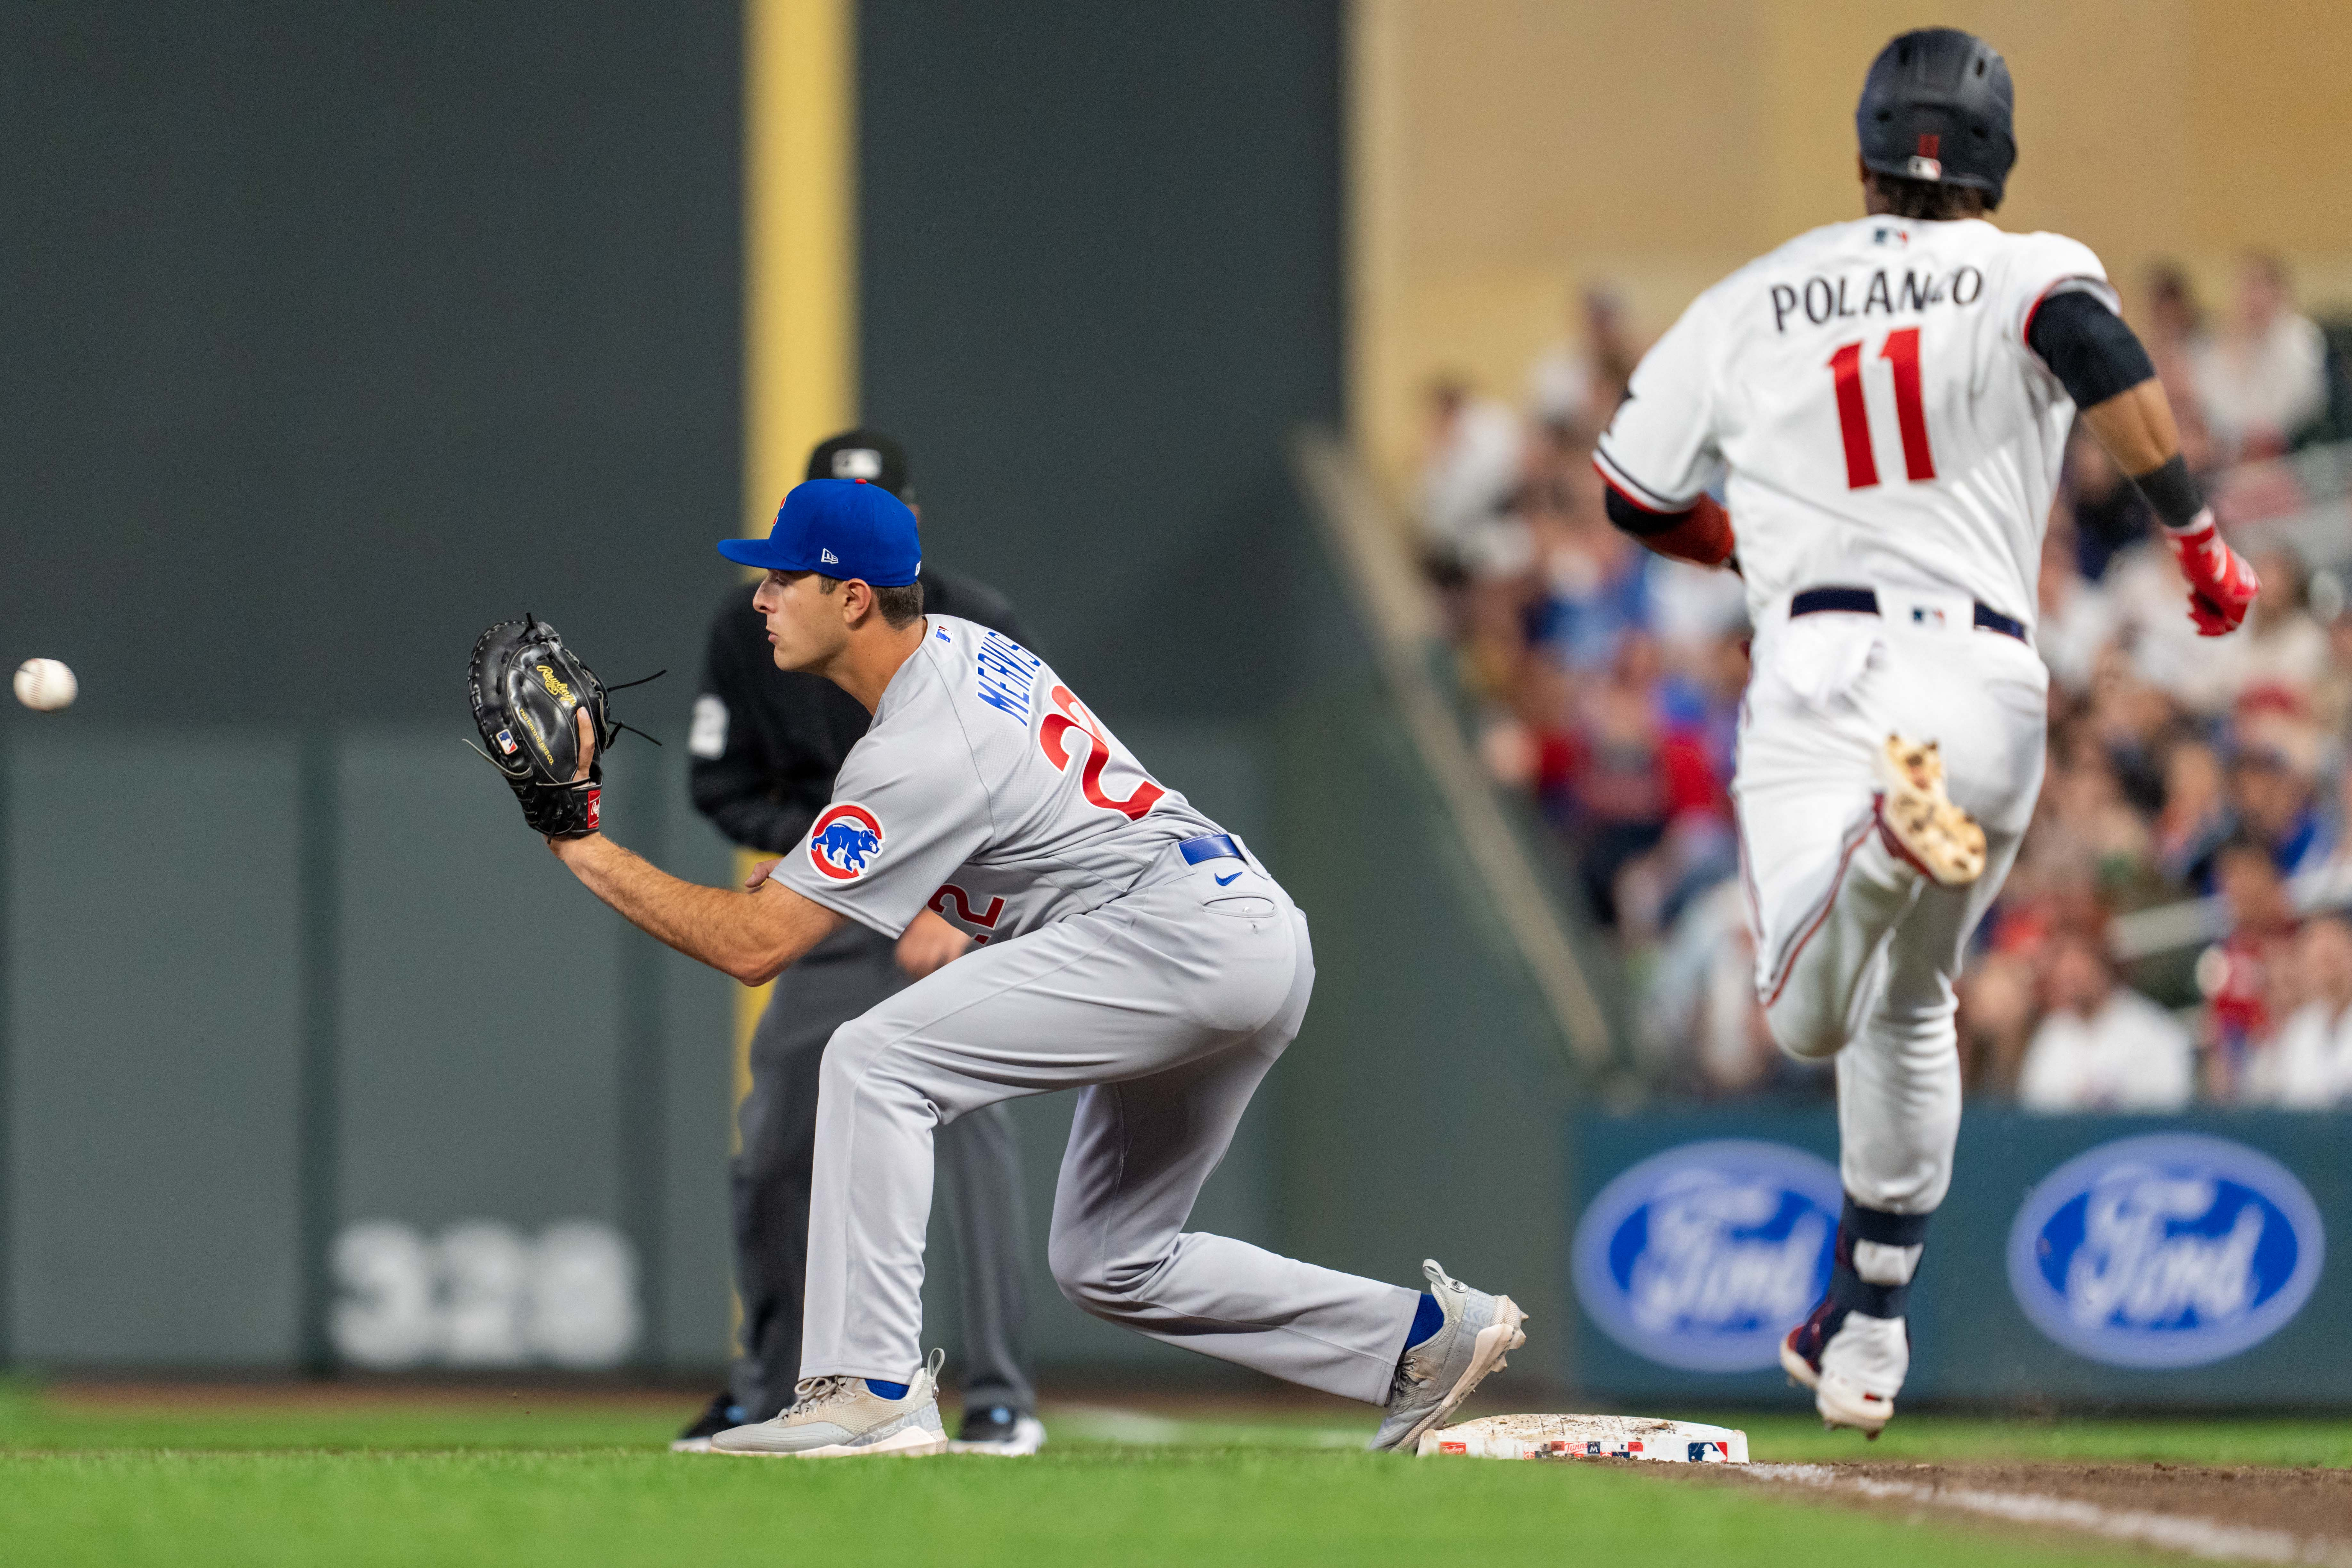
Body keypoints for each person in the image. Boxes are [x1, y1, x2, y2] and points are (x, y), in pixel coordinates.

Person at [532, 477, 1526, 1457]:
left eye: (782, 578)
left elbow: (755, 945)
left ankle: (867, 1386)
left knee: (874, 1059)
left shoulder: (923, 739)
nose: (759, 600)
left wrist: (577, 835)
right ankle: (1417, 1339)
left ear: (852, 597)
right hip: (1239, 927)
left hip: (1174, 932)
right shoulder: (964, 653)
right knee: (1110, 1258)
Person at [1590, 28, 2258, 1436]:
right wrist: (2192, 535)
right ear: (1996, 163)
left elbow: (1629, 495)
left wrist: (1737, 542)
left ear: (1859, 153)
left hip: (1824, 662)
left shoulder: (1754, 294)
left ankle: (1881, 855)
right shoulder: (2023, 266)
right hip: (1986, 687)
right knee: (1908, 1005)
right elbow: (2096, 351)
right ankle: (1868, 1329)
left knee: (1803, 1009)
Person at [671, 431, 1044, 1456]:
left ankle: (1001, 1393)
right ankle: (772, 1382)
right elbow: (720, 783)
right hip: (832, 914)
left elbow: (1022, 780)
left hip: (950, 917)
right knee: (780, 1140)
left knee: (972, 1142)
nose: (783, 586)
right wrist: (826, 850)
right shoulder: (754, 625)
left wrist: (951, 897)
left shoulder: (975, 623)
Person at [2014, 932, 2194, 1112]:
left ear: (2103, 966)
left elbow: (2172, 1106)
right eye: (2063, 973)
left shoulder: (2152, 1031)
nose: (2069, 980)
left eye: (2077, 971)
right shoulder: (2053, 1033)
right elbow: (2035, 1109)